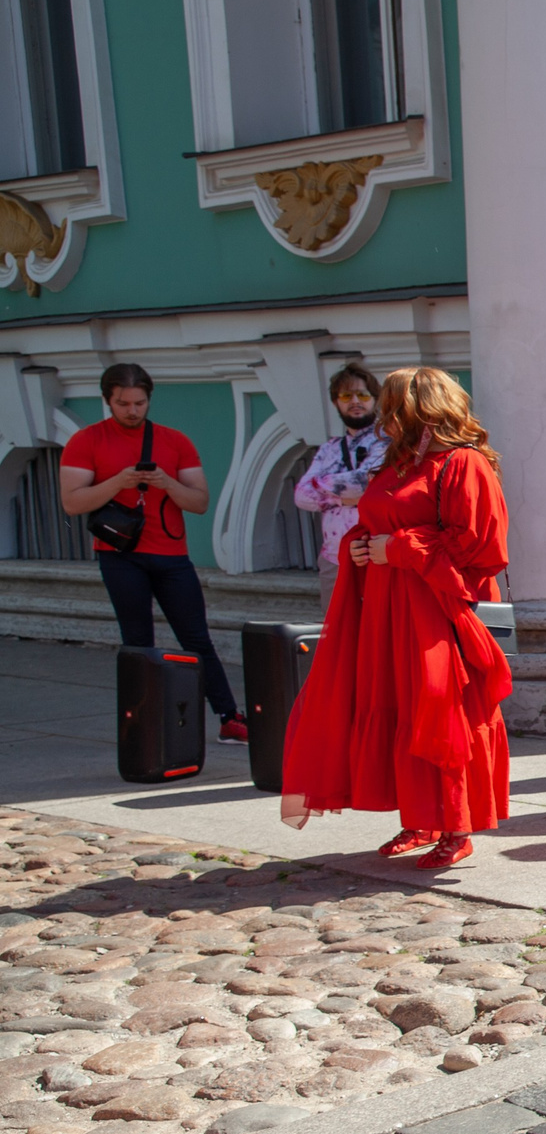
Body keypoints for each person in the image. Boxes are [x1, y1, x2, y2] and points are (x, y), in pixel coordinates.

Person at [278, 368, 510, 871]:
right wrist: (360, 546)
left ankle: (457, 822)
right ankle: (421, 815)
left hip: (438, 610)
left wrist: (399, 548)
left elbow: (480, 547)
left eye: (392, 405)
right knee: (401, 707)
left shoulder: (463, 463)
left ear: (419, 407)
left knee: (439, 709)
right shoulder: (401, 463)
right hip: (390, 607)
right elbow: (377, 520)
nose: (384, 415)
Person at [58, 363, 246, 743]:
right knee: (137, 641)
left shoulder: (174, 441)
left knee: (196, 638)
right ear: (108, 400)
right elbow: (73, 503)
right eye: (123, 403)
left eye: (139, 402)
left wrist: (166, 482)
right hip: (119, 553)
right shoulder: (86, 440)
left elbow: (199, 501)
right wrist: (119, 481)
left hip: (170, 554)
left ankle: (229, 717)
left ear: (149, 400)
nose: (132, 410)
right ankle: (142, 724)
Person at [293, 366, 388, 599]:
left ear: (375, 400)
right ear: (336, 402)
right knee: (335, 631)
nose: (355, 401)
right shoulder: (329, 448)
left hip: (373, 553)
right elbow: (301, 495)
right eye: (346, 396)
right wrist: (345, 493)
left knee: (374, 631)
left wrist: (321, 487)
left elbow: (366, 483)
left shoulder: (386, 442)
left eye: (363, 395)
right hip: (333, 558)